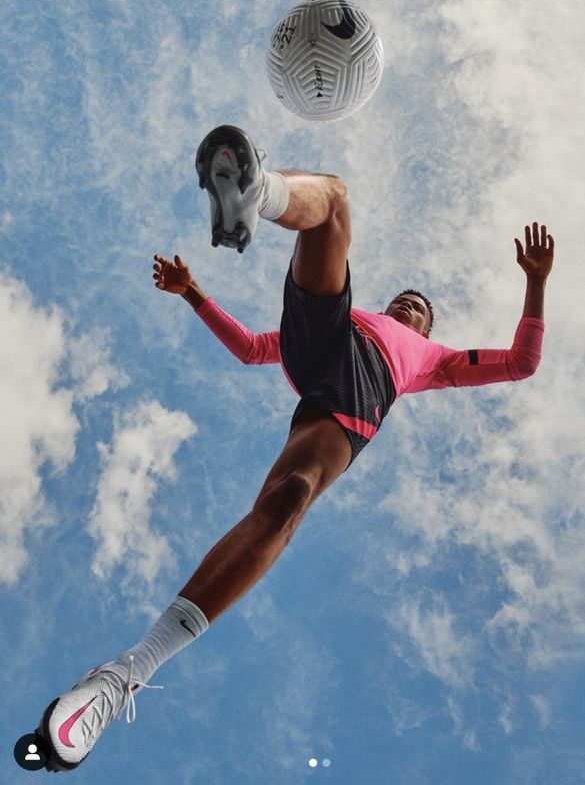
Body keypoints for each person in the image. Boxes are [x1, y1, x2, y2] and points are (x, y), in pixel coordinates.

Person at [35, 125, 554, 771]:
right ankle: (257, 191)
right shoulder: (358, 312)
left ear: (426, 327)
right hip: (327, 339)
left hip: (356, 398)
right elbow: (256, 347)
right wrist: (193, 293)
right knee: (334, 203)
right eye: (404, 296)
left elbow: (521, 363)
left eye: (418, 306)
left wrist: (534, 284)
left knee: (288, 502)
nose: (408, 303)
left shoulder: (433, 360)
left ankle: (126, 673)